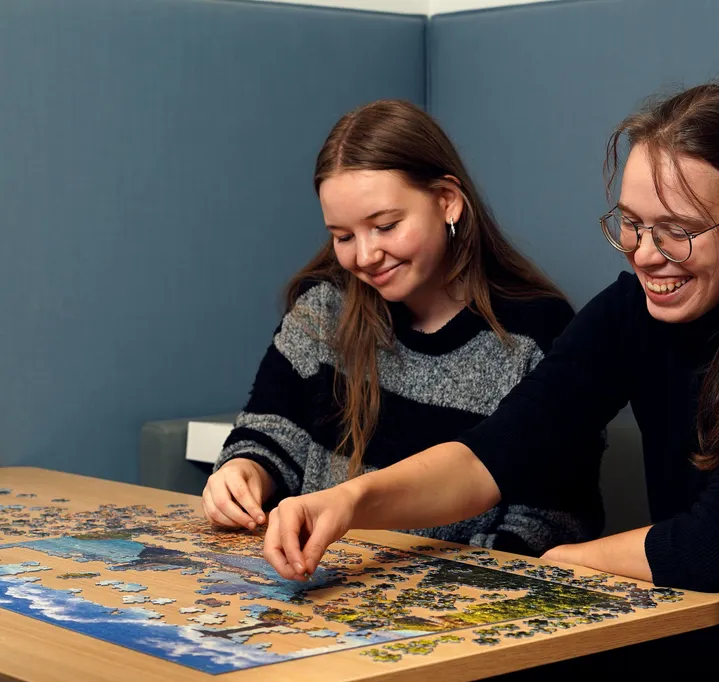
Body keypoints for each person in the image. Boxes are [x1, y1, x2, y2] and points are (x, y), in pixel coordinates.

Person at [260, 83, 719, 680]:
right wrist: (349, 504)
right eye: (631, 222)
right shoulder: (632, 311)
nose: (646, 253)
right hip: (688, 622)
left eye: (677, 231)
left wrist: (566, 564)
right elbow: (497, 453)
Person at [201, 99, 605, 556]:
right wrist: (244, 471)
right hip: (315, 583)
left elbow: (551, 519)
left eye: (386, 226)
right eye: (343, 237)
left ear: (447, 202)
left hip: (450, 611)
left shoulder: (536, 333)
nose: (366, 255)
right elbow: (271, 430)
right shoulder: (323, 309)